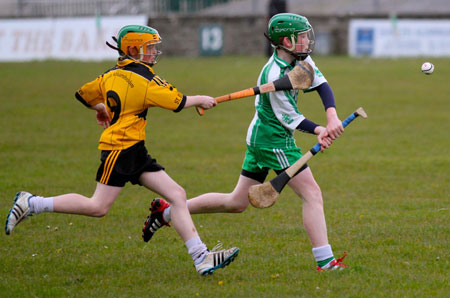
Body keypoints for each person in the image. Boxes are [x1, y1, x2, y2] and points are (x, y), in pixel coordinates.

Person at [5, 24, 239, 276]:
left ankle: (201, 257)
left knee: (177, 194)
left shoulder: (109, 75)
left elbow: (83, 94)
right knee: (98, 207)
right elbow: (178, 102)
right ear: (133, 49)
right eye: (149, 48)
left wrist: (101, 108)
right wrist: (201, 99)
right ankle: (32, 203)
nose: (153, 53)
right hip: (119, 149)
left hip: (135, 149)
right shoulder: (146, 79)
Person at [142, 14, 348, 271]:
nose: (308, 40)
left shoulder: (300, 59)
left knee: (236, 202)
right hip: (274, 141)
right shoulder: (272, 74)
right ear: (286, 41)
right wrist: (320, 130)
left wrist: (332, 116)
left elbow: (320, 83)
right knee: (312, 194)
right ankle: (325, 262)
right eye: (303, 36)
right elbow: (289, 117)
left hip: (261, 137)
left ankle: (167, 212)